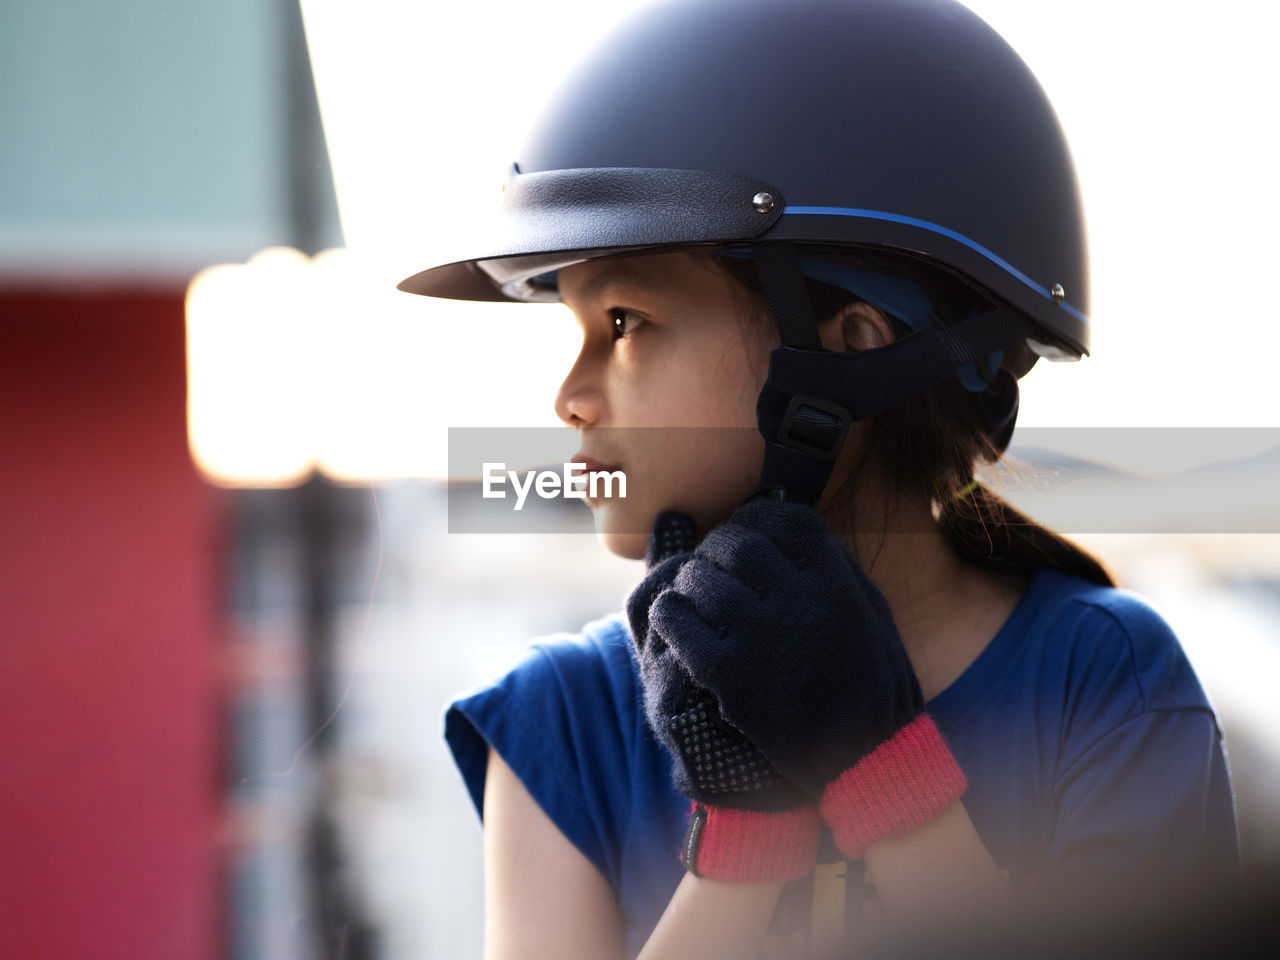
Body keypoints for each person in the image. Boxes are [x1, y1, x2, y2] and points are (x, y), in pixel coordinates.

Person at [398, 1, 1240, 956]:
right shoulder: (561, 723)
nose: (570, 397)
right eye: (576, 333)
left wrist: (879, 765)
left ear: (849, 344)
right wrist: (743, 833)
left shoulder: (1102, 684)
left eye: (626, 324)